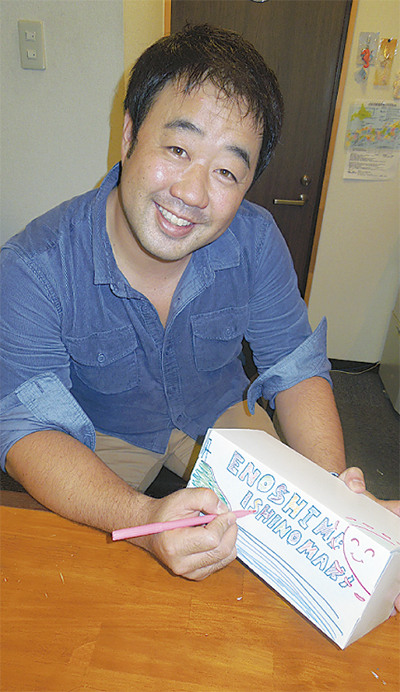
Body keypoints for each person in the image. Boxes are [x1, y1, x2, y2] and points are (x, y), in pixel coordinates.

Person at [1, 25, 399, 592]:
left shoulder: (256, 240)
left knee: (282, 566)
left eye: (226, 172)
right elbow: (28, 429)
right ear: (129, 134)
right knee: (88, 585)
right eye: (177, 149)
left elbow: (294, 367)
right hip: (103, 434)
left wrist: (337, 497)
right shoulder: (33, 266)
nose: (192, 193)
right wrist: (144, 520)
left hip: (218, 411)